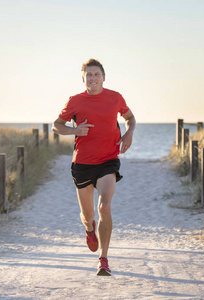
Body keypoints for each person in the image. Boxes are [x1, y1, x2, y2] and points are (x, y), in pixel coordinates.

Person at [52, 58, 136, 276]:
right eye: (89, 75)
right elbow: (57, 125)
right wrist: (75, 131)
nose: (93, 78)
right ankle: (90, 229)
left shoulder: (115, 98)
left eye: (96, 74)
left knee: (104, 206)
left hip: (108, 160)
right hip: (82, 163)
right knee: (87, 215)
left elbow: (130, 118)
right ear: (83, 79)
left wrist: (129, 132)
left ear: (103, 77)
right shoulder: (75, 101)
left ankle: (104, 259)